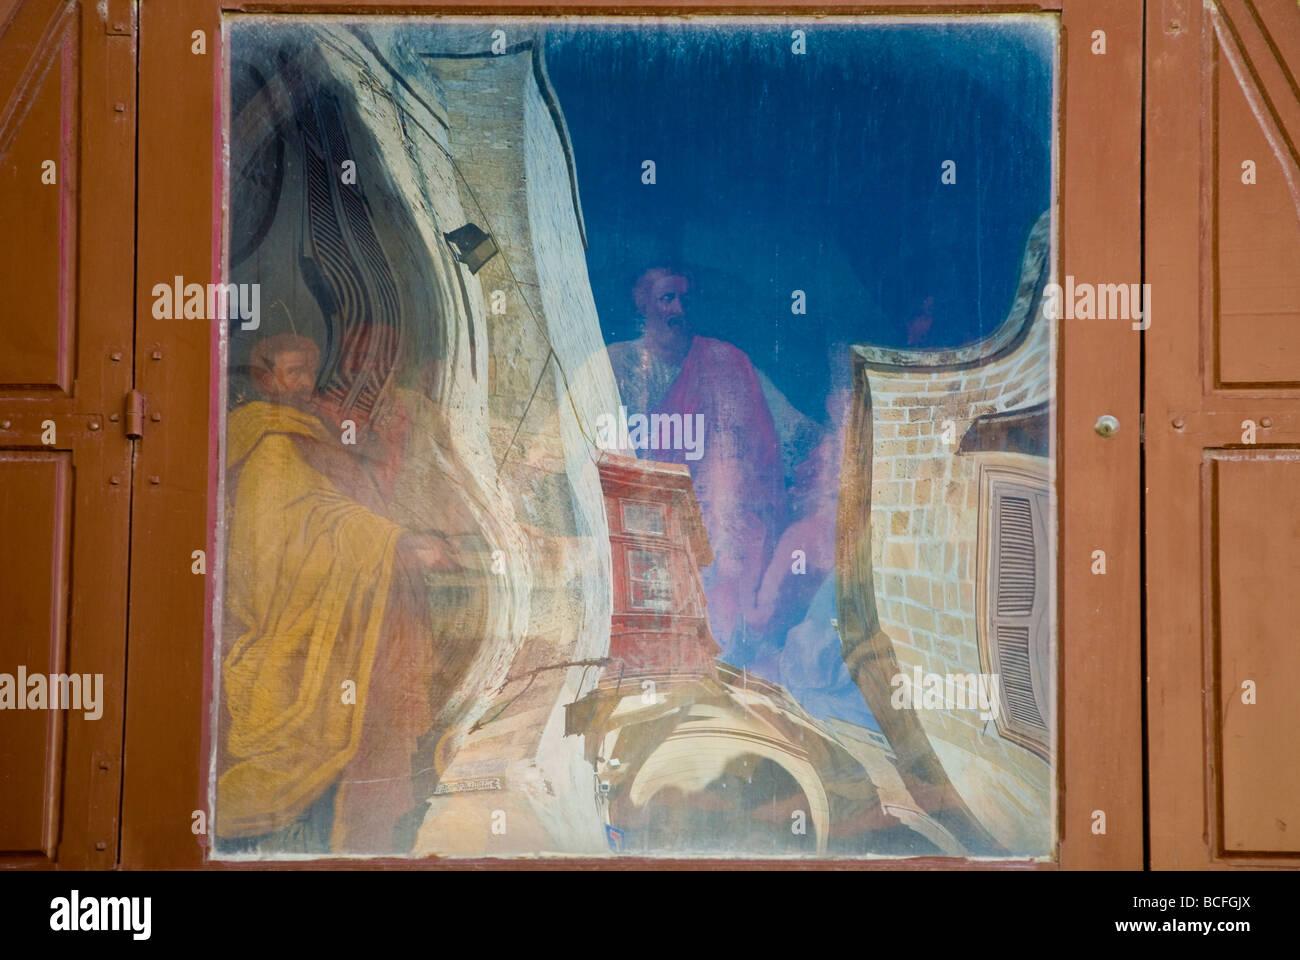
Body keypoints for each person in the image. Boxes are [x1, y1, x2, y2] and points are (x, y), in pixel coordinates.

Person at [216, 332, 456, 854]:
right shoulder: (268, 440)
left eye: (309, 370)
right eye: (291, 372)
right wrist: (393, 542)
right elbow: (288, 529)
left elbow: (334, 504)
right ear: (263, 378)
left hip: (340, 607)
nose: (303, 383)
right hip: (279, 623)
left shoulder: (311, 430)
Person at [605, 268, 786, 658]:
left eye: (686, 300)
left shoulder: (726, 362)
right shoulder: (613, 363)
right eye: (667, 298)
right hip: (640, 527)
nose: (679, 309)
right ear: (642, 303)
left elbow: (782, 437)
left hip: (716, 530)